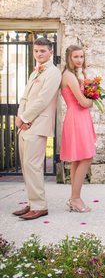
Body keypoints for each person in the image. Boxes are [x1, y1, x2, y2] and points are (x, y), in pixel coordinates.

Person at [13, 37, 62, 220]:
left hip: (38, 124)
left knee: (33, 166)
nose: (39, 54)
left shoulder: (53, 73)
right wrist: (20, 118)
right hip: (24, 125)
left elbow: (43, 100)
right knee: (26, 166)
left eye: (43, 51)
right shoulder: (34, 73)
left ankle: (40, 206)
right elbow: (25, 98)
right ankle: (33, 202)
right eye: (36, 51)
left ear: (50, 52)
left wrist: (25, 118)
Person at [60, 45, 96, 213]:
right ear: (69, 58)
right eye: (76, 57)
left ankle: (73, 198)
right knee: (86, 157)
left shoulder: (77, 75)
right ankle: (75, 198)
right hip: (76, 116)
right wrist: (93, 99)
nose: (79, 60)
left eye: (81, 56)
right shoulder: (68, 76)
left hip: (80, 117)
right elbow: (83, 102)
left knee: (77, 159)